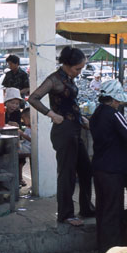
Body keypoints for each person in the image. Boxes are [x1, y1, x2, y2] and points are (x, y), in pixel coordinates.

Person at [28, 46, 95, 227]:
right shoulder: (54, 79)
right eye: (77, 69)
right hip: (63, 131)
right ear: (66, 64)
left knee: (86, 169)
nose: (79, 72)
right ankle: (65, 214)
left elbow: (70, 103)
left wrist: (81, 119)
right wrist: (52, 115)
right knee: (67, 174)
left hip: (75, 128)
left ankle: (86, 207)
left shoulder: (69, 78)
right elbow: (33, 98)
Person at [89, 80, 127, 253]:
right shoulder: (113, 114)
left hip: (99, 167)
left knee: (103, 209)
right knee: (113, 212)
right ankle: (112, 252)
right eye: (118, 100)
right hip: (112, 169)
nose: (119, 103)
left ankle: (102, 248)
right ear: (113, 99)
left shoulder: (97, 113)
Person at [18, 107, 31, 187]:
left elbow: (32, 139)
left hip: (29, 148)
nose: (23, 121)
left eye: (24, 119)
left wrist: (22, 134)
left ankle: (19, 178)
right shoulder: (28, 127)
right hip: (25, 145)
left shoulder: (33, 128)